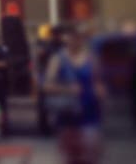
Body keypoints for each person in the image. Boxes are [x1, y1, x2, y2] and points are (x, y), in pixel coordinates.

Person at [44, 23, 104, 164]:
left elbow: (98, 81)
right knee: (69, 155)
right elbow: (47, 86)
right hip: (67, 113)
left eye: (77, 38)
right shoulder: (58, 59)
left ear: (81, 39)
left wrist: (100, 91)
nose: (73, 41)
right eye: (70, 38)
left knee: (92, 153)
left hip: (90, 111)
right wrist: (67, 89)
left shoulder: (91, 58)